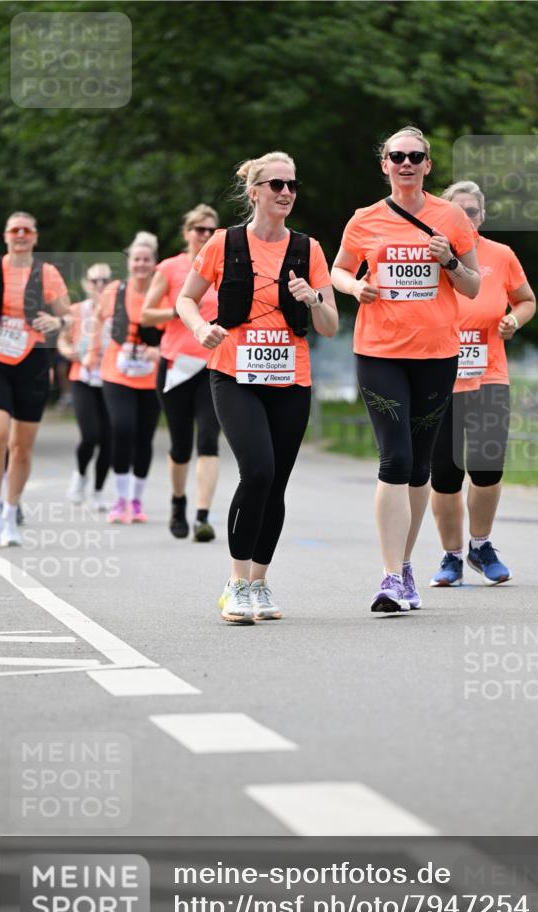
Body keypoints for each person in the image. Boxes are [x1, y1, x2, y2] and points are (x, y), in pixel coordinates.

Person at [177, 151, 338, 624]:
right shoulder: (223, 244)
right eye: (276, 185)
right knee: (259, 471)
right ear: (255, 192)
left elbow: (329, 325)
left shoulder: (308, 250)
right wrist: (200, 327)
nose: (286, 192)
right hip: (233, 373)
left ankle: (260, 583)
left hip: (291, 379)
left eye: (292, 185)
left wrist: (312, 300)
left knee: (278, 484)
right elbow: (187, 299)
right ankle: (235, 581)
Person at [331, 125, 480, 614]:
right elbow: (337, 270)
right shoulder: (365, 220)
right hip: (379, 352)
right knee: (394, 460)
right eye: (397, 155)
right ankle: (391, 577)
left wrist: (451, 261)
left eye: (416, 156)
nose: (406, 163)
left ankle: (407, 565)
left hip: (437, 356)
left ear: (428, 165)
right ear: (385, 164)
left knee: (419, 466)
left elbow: (474, 287)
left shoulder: (452, 216)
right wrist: (355, 289)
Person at [429, 180, 536, 586]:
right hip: (439, 375)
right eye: (458, 211)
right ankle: (451, 556)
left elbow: (526, 300)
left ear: (482, 216)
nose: (466, 218)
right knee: (444, 473)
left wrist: (514, 319)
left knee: (487, 467)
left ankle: (481, 544)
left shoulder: (501, 255)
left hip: (489, 375)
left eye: (472, 211)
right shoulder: (432, 254)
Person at [0, 211, 71, 546]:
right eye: (14, 230)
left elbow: (68, 316)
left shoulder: (46, 273)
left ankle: (10, 512)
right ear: (5, 236)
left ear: (35, 237)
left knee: (21, 448)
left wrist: (56, 323)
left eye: (27, 230)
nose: (20, 235)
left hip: (31, 362)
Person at [141, 204, 221, 542]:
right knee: (180, 444)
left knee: (209, 441)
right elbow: (145, 315)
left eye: (210, 230)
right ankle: (178, 503)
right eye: (198, 229)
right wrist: (179, 310)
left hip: (215, 364)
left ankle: (202, 516)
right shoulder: (170, 268)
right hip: (176, 365)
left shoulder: (224, 266)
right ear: (186, 232)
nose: (204, 235)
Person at [86, 232, 164, 525]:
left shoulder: (163, 292)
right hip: (115, 371)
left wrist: (159, 350)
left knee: (144, 436)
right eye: (136, 259)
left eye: (146, 260)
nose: (141, 264)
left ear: (154, 263)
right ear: (129, 262)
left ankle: (136, 499)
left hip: (151, 374)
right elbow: (98, 323)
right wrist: (91, 354)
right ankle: (119, 499)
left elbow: (172, 326)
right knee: (122, 428)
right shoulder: (114, 291)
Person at [58, 262, 113, 509]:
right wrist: (67, 349)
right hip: (83, 377)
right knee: (90, 435)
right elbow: (62, 338)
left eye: (105, 280)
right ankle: (80, 476)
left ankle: (99, 490)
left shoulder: (118, 309)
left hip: (112, 379)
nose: (99, 285)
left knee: (109, 439)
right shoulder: (77, 310)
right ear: (86, 285)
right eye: (94, 281)